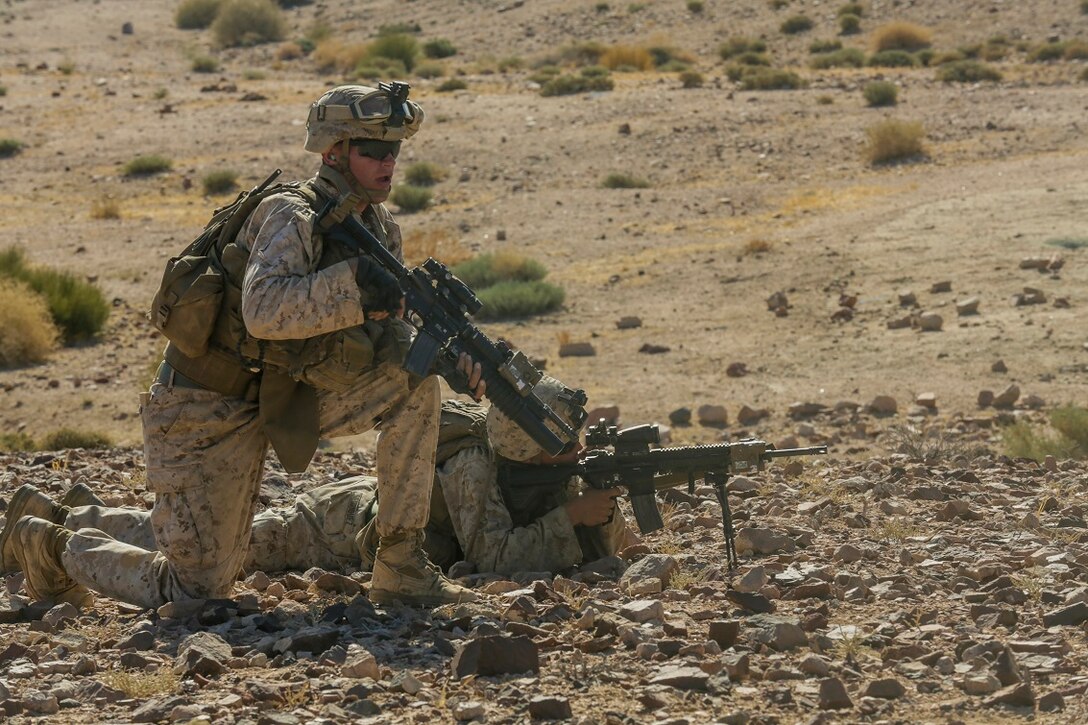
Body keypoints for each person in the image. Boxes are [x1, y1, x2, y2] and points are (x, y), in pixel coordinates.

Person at [4, 83, 486, 610]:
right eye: (372, 150)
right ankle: (50, 541)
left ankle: (400, 564)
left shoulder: (378, 228)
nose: (387, 161)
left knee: (415, 384)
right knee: (197, 587)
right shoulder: (292, 215)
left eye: (393, 150)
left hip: (285, 395)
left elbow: (382, 331)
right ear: (332, 152)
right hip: (204, 404)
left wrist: (441, 354)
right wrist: (351, 287)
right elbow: (264, 311)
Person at [1, 377, 629, 584]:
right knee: (208, 554)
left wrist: (595, 516)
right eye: (563, 445)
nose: (572, 453)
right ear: (529, 448)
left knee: (193, 538)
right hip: (325, 531)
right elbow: (493, 558)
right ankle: (56, 529)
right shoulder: (474, 469)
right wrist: (570, 521)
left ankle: (71, 512)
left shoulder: (524, 469)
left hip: (345, 522)